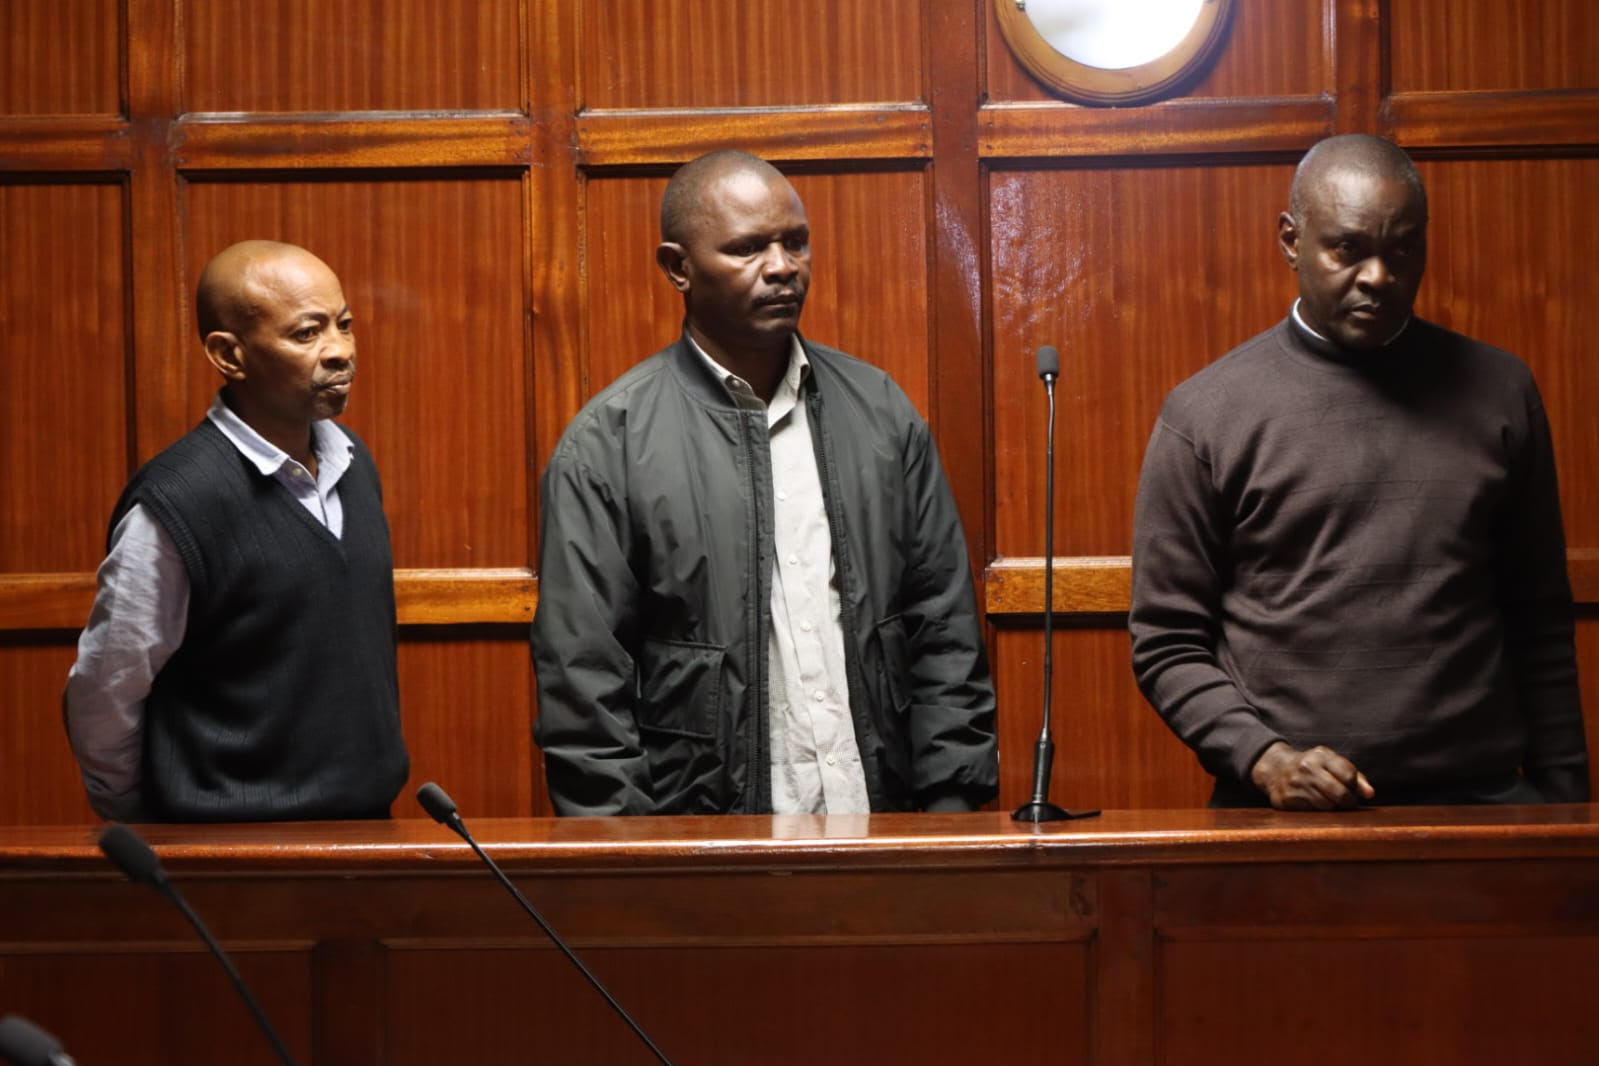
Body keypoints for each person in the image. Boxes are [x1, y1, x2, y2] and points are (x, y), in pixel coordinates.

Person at [1129, 134, 1588, 810]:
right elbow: (1167, 642)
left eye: (1402, 249)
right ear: (1291, 241)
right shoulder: (1205, 413)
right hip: (1282, 815)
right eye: (1347, 249)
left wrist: (1569, 805)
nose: (1377, 275)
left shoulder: (1501, 392)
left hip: (1481, 805)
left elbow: (1538, 617)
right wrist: (1264, 759)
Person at [533, 150, 997, 815]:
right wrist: (634, 858)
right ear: (678, 268)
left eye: (795, 242)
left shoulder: (880, 412)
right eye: (747, 248)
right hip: (707, 845)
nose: (782, 266)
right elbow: (584, 687)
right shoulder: (607, 446)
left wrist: (951, 813)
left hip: (884, 829)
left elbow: (943, 627)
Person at [64, 240, 409, 822]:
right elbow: (107, 688)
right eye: (307, 333)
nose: (340, 351)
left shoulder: (353, 462)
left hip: (367, 830)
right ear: (229, 354)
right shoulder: (179, 499)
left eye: (344, 325)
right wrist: (147, 820)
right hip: (228, 845)